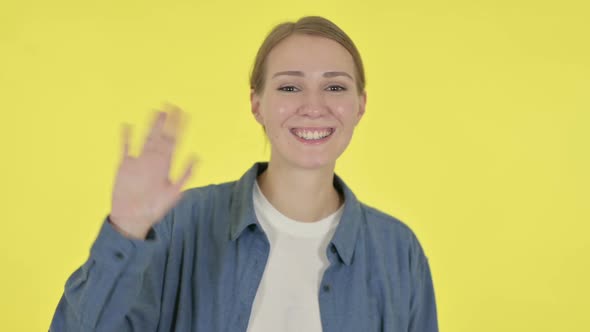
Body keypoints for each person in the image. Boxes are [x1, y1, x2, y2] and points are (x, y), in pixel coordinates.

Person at [50, 16, 438, 332]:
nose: (313, 106)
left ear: (360, 105)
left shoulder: (398, 251)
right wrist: (125, 231)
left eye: (335, 86)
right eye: (289, 86)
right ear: (257, 104)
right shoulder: (179, 224)